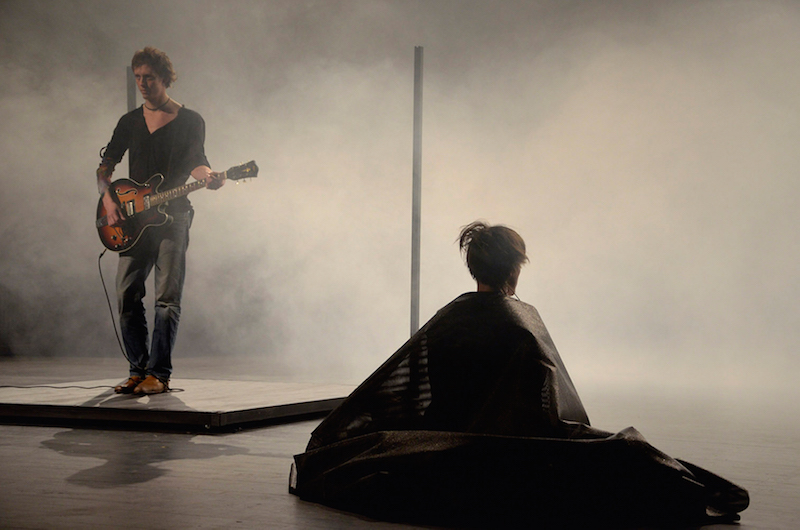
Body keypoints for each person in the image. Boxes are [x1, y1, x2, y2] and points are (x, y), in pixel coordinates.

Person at [290, 221, 749, 528]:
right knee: (628, 453)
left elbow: (412, 388)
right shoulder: (522, 324)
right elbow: (550, 414)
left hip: (444, 446)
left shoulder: (447, 317)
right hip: (513, 450)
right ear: (515, 268)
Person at [97, 47, 225, 395]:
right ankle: (137, 369)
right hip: (133, 220)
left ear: (164, 78)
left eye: (148, 78)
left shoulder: (190, 120)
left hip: (174, 216)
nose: (142, 84)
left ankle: (160, 374)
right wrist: (109, 202)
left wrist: (210, 175)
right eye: (137, 77)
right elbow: (105, 167)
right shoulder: (129, 122)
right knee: (127, 295)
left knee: (166, 299)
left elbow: (197, 161)